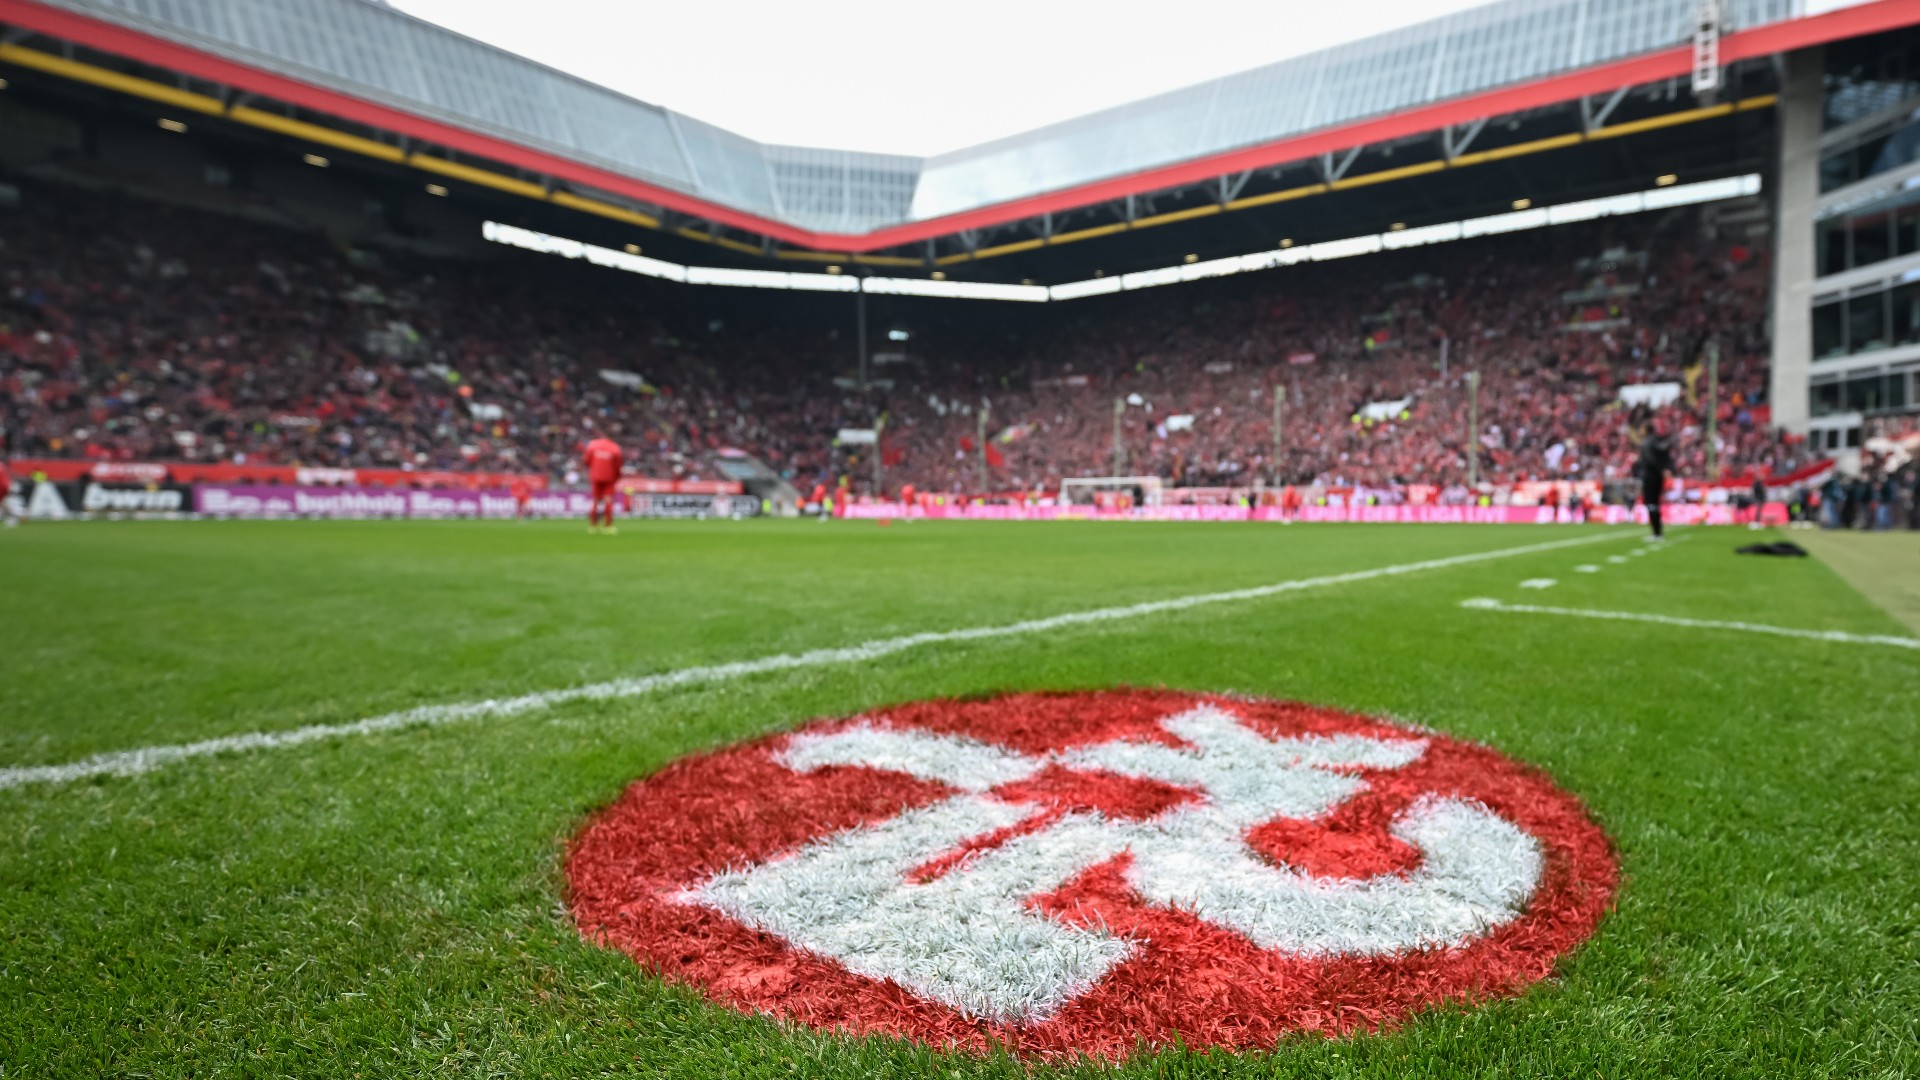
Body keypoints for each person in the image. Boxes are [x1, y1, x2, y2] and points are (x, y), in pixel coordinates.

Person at [1637, 421, 1674, 541]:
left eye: (1642, 429)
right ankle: (1658, 532)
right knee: (1655, 504)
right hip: (1658, 477)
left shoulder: (1647, 443)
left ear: (1646, 430)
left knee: (1651, 504)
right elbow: (1666, 456)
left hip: (1650, 477)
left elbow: (1651, 460)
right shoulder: (1658, 441)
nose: (1640, 431)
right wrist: (1666, 469)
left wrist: (1659, 469)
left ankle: (1656, 533)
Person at [582, 433, 624, 534]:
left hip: (596, 477)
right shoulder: (615, 448)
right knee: (608, 501)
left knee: (595, 501)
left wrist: (594, 469)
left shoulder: (593, 445)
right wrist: (617, 477)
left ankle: (593, 526)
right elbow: (618, 466)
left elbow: (586, 460)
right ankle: (608, 526)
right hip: (609, 478)